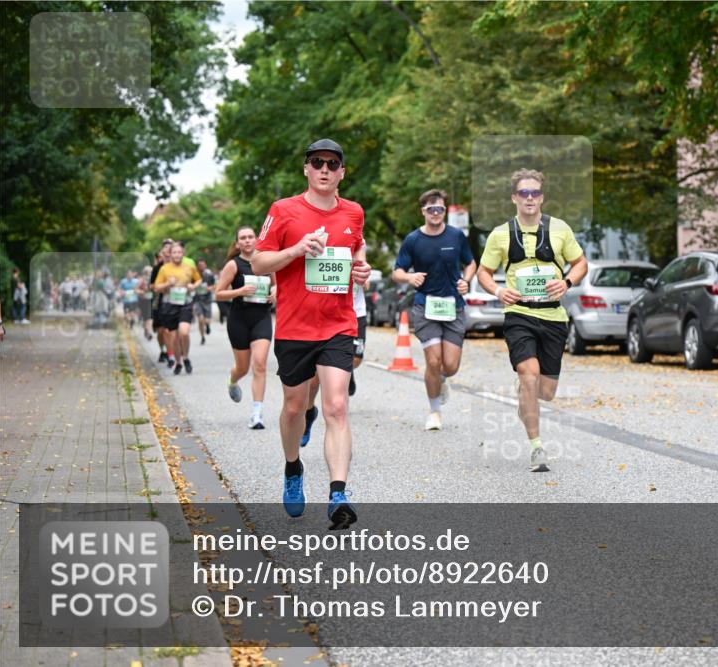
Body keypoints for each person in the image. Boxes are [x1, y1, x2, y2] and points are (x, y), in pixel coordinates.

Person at [251, 138, 370, 528]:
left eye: (332, 164)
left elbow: (357, 250)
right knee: (293, 408)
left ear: (341, 173)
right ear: (306, 169)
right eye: (317, 162)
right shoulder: (283, 210)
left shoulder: (354, 212)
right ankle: (292, 468)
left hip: (338, 324)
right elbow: (258, 263)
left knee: (336, 406)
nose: (324, 169)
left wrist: (362, 268)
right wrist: (297, 249)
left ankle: (338, 494)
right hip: (294, 326)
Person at [476, 169, 588, 472]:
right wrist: (499, 291)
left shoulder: (560, 229)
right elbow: (484, 272)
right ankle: (537, 447)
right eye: (523, 193)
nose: (529, 198)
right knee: (529, 374)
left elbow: (580, 263)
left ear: (542, 197)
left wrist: (566, 282)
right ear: (514, 197)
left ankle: (525, 396)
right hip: (519, 314)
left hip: (553, 316)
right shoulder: (500, 234)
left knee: (545, 392)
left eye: (534, 193)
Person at [391, 189, 476, 431]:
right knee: (433, 360)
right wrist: (410, 277)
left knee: (450, 365)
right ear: (423, 212)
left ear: (444, 210)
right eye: (431, 209)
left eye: (439, 208)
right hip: (425, 306)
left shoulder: (456, 236)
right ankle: (434, 411)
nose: (436, 213)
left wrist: (466, 280)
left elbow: (471, 263)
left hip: (453, 307)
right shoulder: (413, 240)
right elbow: (397, 272)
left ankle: (442, 379)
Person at [299, 239, 369, 448]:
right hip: (323, 315)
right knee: (313, 380)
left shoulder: (357, 240)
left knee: (355, 359)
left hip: (355, 313)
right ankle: (309, 412)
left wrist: (361, 275)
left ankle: (347, 371)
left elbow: (364, 277)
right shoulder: (315, 239)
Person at [215, 226, 275, 429]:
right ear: (238, 243)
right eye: (243, 238)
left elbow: (278, 284)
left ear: (256, 240)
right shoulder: (233, 265)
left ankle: (257, 414)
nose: (247, 240)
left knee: (259, 364)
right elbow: (218, 293)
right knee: (243, 367)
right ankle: (233, 380)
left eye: (250, 237)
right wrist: (239, 291)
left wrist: (276, 291)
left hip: (262, 318)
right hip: (239, 320)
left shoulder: (267, 261)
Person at [153, 241, 202, 375]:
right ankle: (178, 362)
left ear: (183, 253)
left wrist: (193, 286)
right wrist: (168, 284)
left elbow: (198, 279)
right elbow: (156, 287)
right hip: (169, 305)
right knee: (174, 336)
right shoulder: (164, 269)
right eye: (174, 252)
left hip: (185, 303)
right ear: (170, 254)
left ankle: (185, 357)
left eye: (179, 252)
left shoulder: (189, 267)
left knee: (184, 332)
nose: (177, 255)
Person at [150, 240, 174, 364]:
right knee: (160, 330)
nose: (168, 253)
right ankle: (163, 350)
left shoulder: (178, 266)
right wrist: (162, 287)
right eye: (165, 251)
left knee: (169, 330)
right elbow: (151, 285)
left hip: (175, 301)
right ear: (162, 253)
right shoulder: (157, 268)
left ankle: (171, 354)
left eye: (170, 250)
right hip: (159, 301)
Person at [193, 259, 216, 345]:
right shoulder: (195, 274)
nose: (201, 267)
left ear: (205, 265)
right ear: (197, 266)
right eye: (200, 265)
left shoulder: (209, 274)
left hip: (207, 299)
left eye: (202, 265)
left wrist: (210, 288)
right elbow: (191, 284)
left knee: (207, 320)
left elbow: (215, 285)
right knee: (200, 319)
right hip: (198, 299)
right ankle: (202, 336)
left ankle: (207, 325)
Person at [138, 266, 154, 340]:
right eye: (148, 272)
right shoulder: (141, 280)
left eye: (151, 271)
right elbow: (136, 289)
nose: (150, 273)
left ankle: (149, 331)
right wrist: (142, 292)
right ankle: (147, 330)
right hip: (144, 300)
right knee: (146, 317)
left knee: (150, 317)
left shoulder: (154, 279)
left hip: (152, 300)